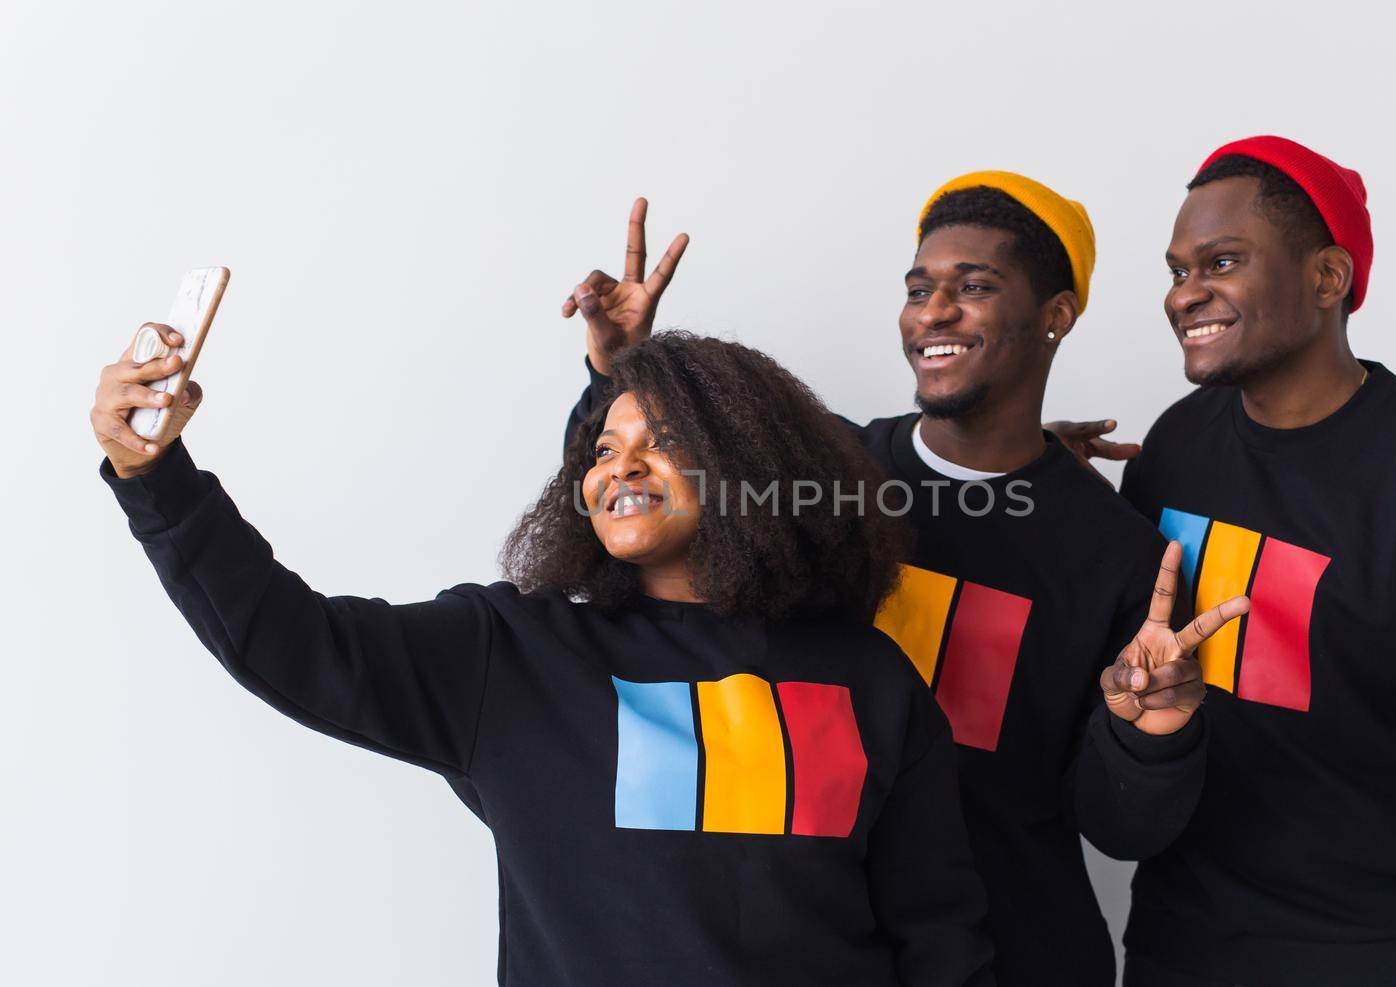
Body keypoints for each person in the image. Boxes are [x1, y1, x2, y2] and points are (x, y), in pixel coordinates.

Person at [92, 326, 1001, 986]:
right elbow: (290, 642)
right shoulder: (515, 655)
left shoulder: (868, 677)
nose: (619, 468)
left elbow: (939, 936)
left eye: (664, 443)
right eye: (606, 449)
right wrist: (154, 477)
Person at [560, 184, 1247, 985]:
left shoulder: (1119, 556)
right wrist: (617, 376)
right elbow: (629, 531)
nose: (935, 311)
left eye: (976, 286)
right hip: (816, 938)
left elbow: (1121, 827)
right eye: (920, 288)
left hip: (1013, 947)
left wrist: (1149, 731)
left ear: (1056, 314)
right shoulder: (818, 473)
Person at [1117, 135, 1396, 986]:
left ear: (1329, 278)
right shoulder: (1176, 448)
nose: (1187, 295)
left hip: (1366, 957)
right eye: (1178, 270)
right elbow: (1129, 679)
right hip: (1176, 946)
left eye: (1223, 261)